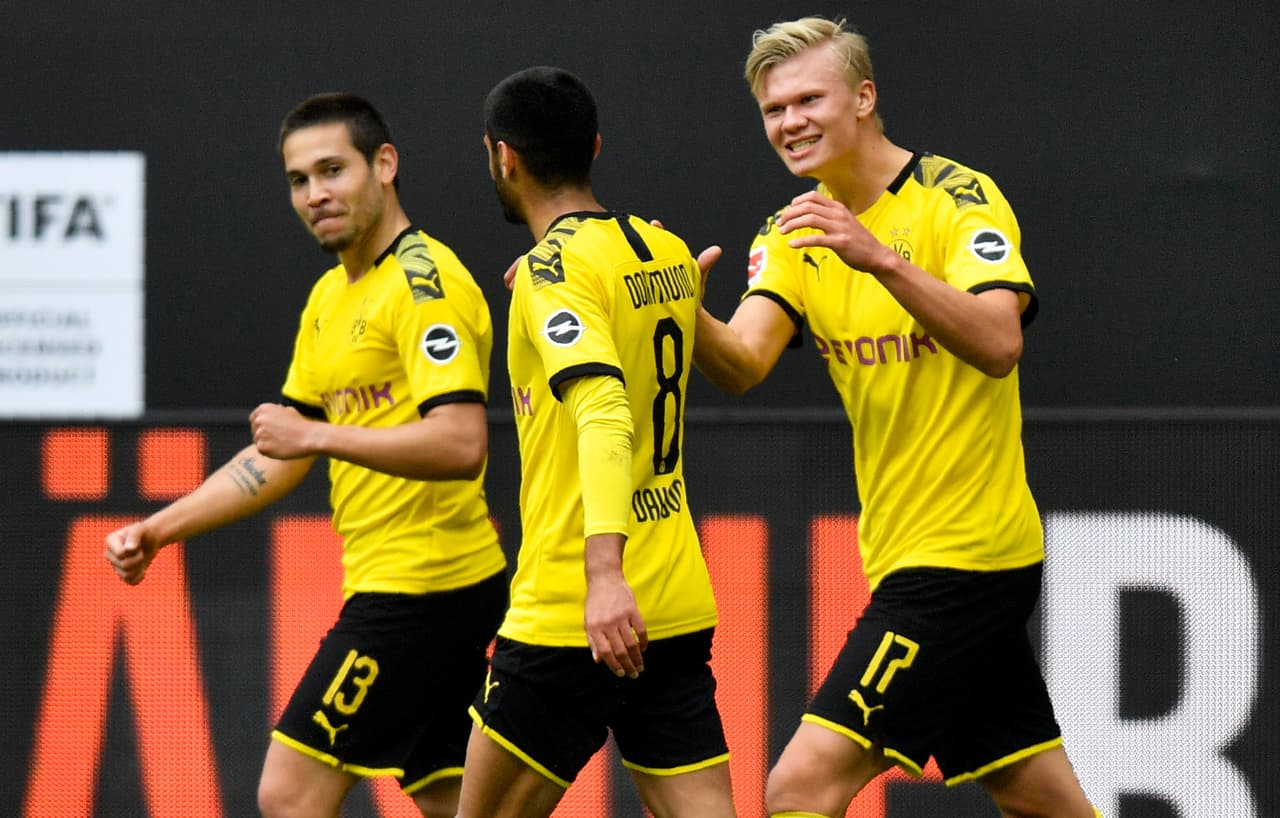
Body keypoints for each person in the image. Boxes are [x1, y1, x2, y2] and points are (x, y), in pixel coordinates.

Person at [691, 17, 1102, 818]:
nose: (791, 122)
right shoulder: (790, 233)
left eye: (809, 98)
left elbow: (998, 341)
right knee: (1039, 796)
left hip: (967, 558)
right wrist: (678, 313)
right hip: (904, 552)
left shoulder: (958, 198)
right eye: (774, 110)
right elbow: (742, 364)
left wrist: (878, 256)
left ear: (865, 98)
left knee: (799, 787)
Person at [103, 92, 508, 818]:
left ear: (384, 165)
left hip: (422, 592)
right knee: (456, 804)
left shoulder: (425, 283)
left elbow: (461, 443)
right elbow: (277, 456)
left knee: (289, 795)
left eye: (332, 170)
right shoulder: (331, 297)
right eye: (298, 179)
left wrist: (317, 437)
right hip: (428, 590)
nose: (315, 194)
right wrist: (159, 529)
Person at [456, 66, 736, 818]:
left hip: (574, 612)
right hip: (673, 602)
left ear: (503, 157)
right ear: (596, 148)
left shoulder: (553, 269)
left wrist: (603, 574)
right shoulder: (666, 250)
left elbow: (605, 409)